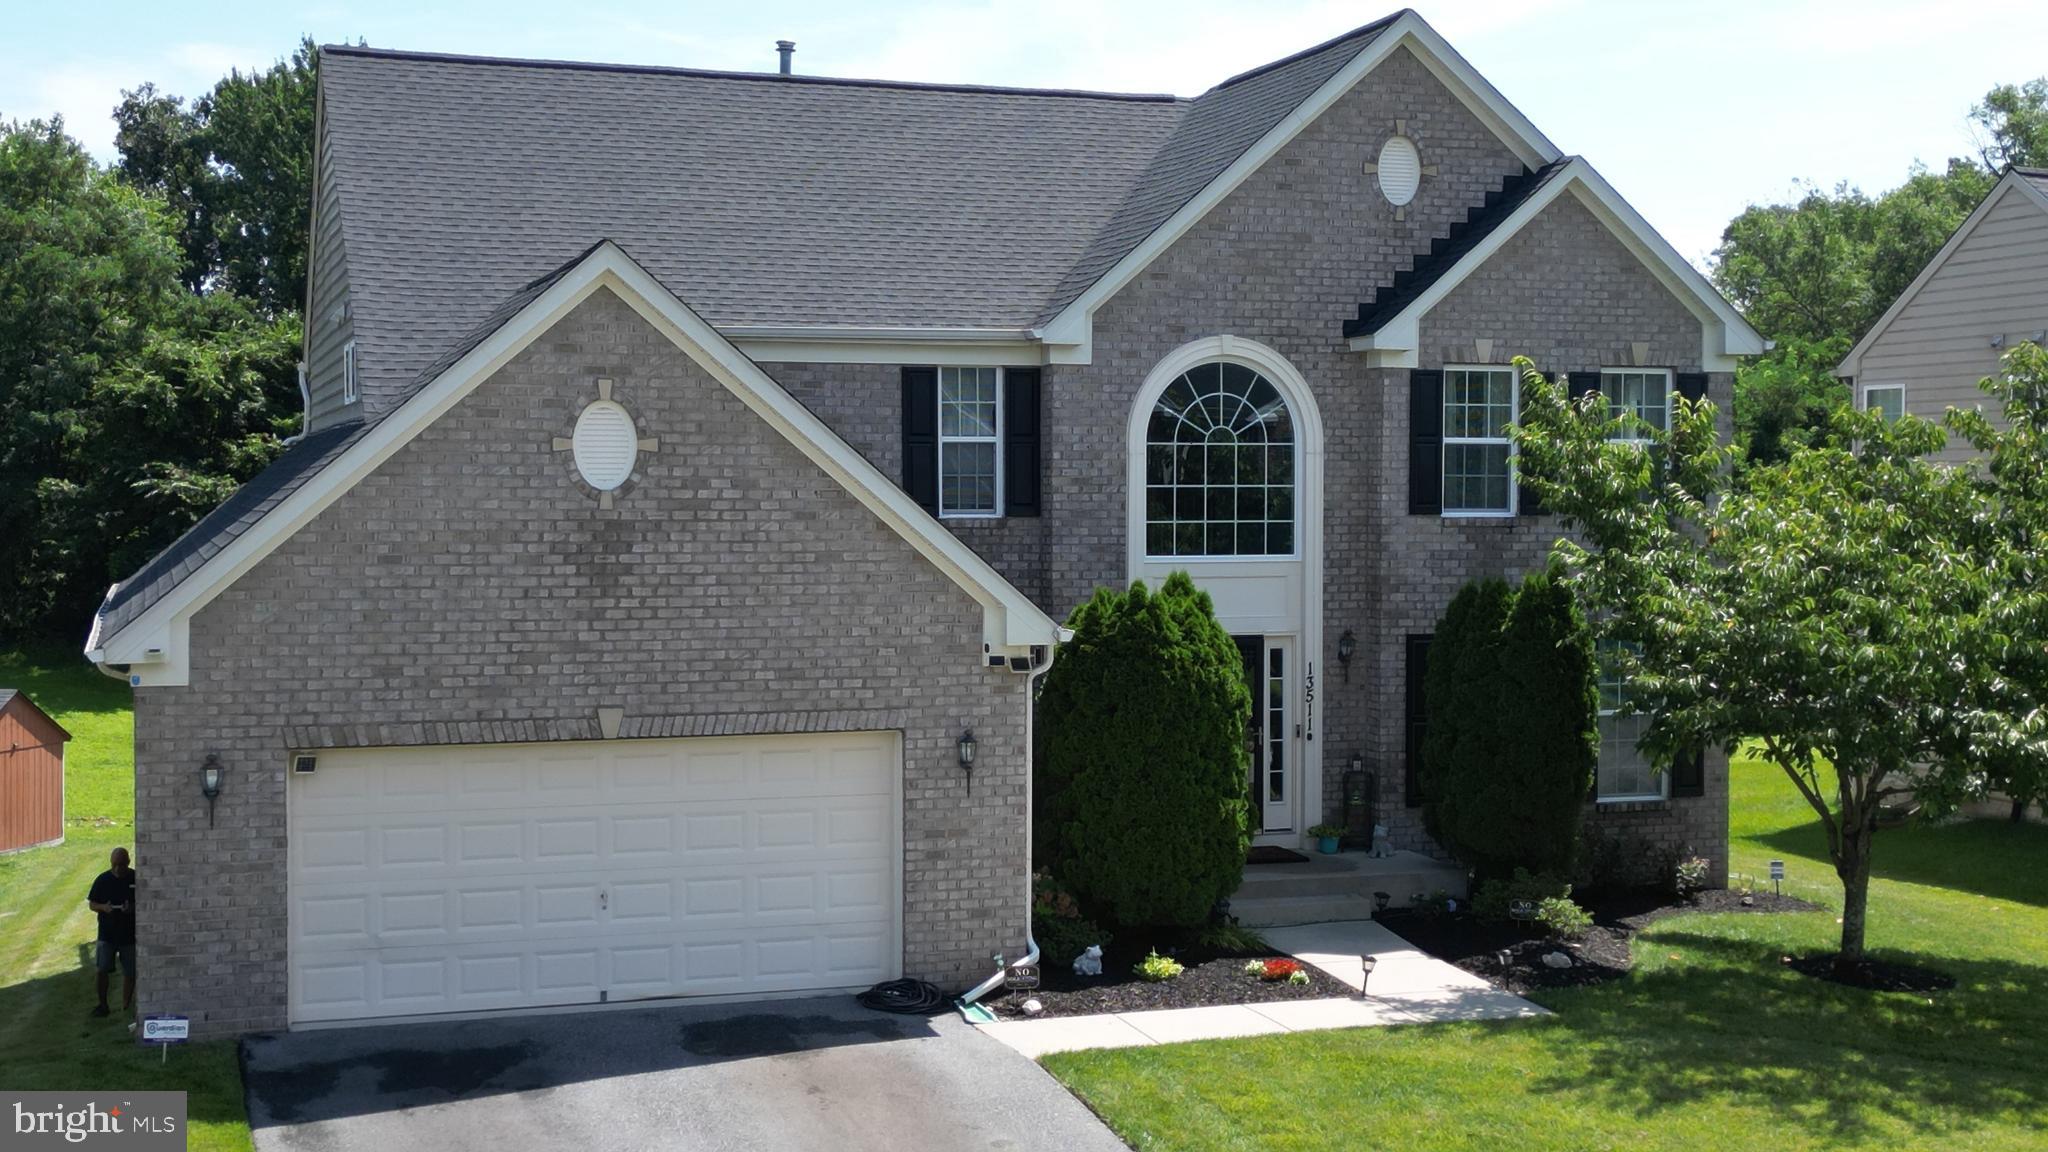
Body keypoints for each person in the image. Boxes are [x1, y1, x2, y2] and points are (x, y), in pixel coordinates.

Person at [86, 847, 137, 1018]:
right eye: (114, 865)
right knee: (102, 970)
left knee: (130, 971)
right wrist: (103, 907)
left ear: (128, 863)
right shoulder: (103, 880)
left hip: (129, 935)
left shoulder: (135, 878)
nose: (117, 869)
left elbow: (145, 903)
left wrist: (131, 908)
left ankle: (125, 1005)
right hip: (107, 934)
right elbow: (92, 904)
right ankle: (102, 1005)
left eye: (121, 865)